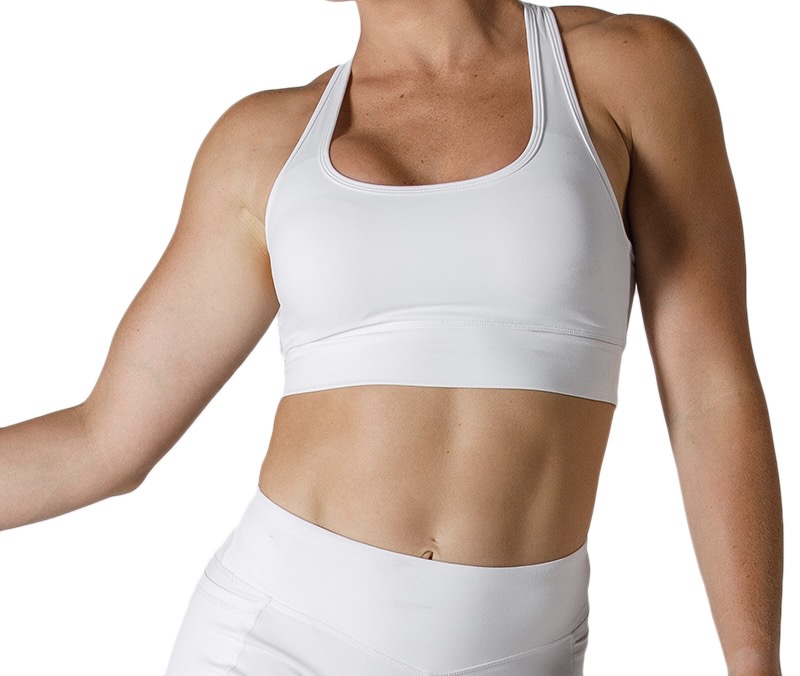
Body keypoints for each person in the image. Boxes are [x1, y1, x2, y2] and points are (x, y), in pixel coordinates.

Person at [0, 0, 784, 674]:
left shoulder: (627, 69)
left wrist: (754, 661)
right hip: (275, 637)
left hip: (516, 653)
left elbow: (711, 392)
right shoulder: (262, 141)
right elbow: (103, 440)